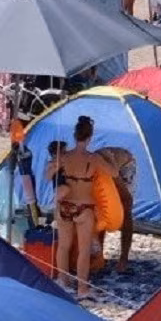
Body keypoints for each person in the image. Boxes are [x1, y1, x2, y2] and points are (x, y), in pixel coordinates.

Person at [45, 116, 116, 301]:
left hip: (64, 206)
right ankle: (82, 289)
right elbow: (114, 173)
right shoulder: (94, 159)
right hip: (84, 207)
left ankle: (63, 281)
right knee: (84, 250)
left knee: (63, 246)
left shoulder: (64, 156)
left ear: (75, 135)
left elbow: (47, 176)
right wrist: (109, 158)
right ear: (90, 137)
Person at [94, 146, 136, 273]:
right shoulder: (82, 168)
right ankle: (99, 255)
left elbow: (127, 198)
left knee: (126, 209)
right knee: (101, 211)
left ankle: (124, 259)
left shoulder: (108, 168)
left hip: (123, 165)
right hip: (107, 165)